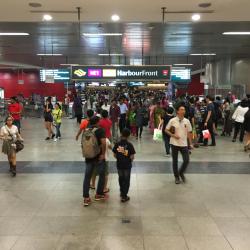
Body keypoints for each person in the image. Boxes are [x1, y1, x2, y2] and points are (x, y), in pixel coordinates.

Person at [82, 116, 107, 207]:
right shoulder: (100, 130)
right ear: (97, 122)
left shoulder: (86, 130)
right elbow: (103, 143)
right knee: (102, 175)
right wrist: (103, 154)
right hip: (98, 157)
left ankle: (86, 198)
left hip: (88, 157)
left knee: (87, 177)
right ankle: (99, 194)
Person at [166, 105, 193, 184]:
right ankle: (176, 177)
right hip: (174, 143)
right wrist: (173, 135)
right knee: (175, 161)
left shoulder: (187, 121)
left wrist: (190, 143)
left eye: (184, 109)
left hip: (184, 144)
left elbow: (189, 132)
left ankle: (181, 172)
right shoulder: (172, 120)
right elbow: (166, 130)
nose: (183, 111)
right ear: (177, 111)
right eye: (181, 109)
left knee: (186, 160)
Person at [113, 128, 136, 202]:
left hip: (119, 164)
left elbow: (114, 154)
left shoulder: (117, 144)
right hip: (127, 165)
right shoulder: (129, 145)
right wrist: (129, 160)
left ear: (121, 134)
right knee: (126, 180)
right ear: (128, 136)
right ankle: (124, 196)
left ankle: (121, 191)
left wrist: (119, 158)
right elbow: (132, 157)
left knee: (121, 178)